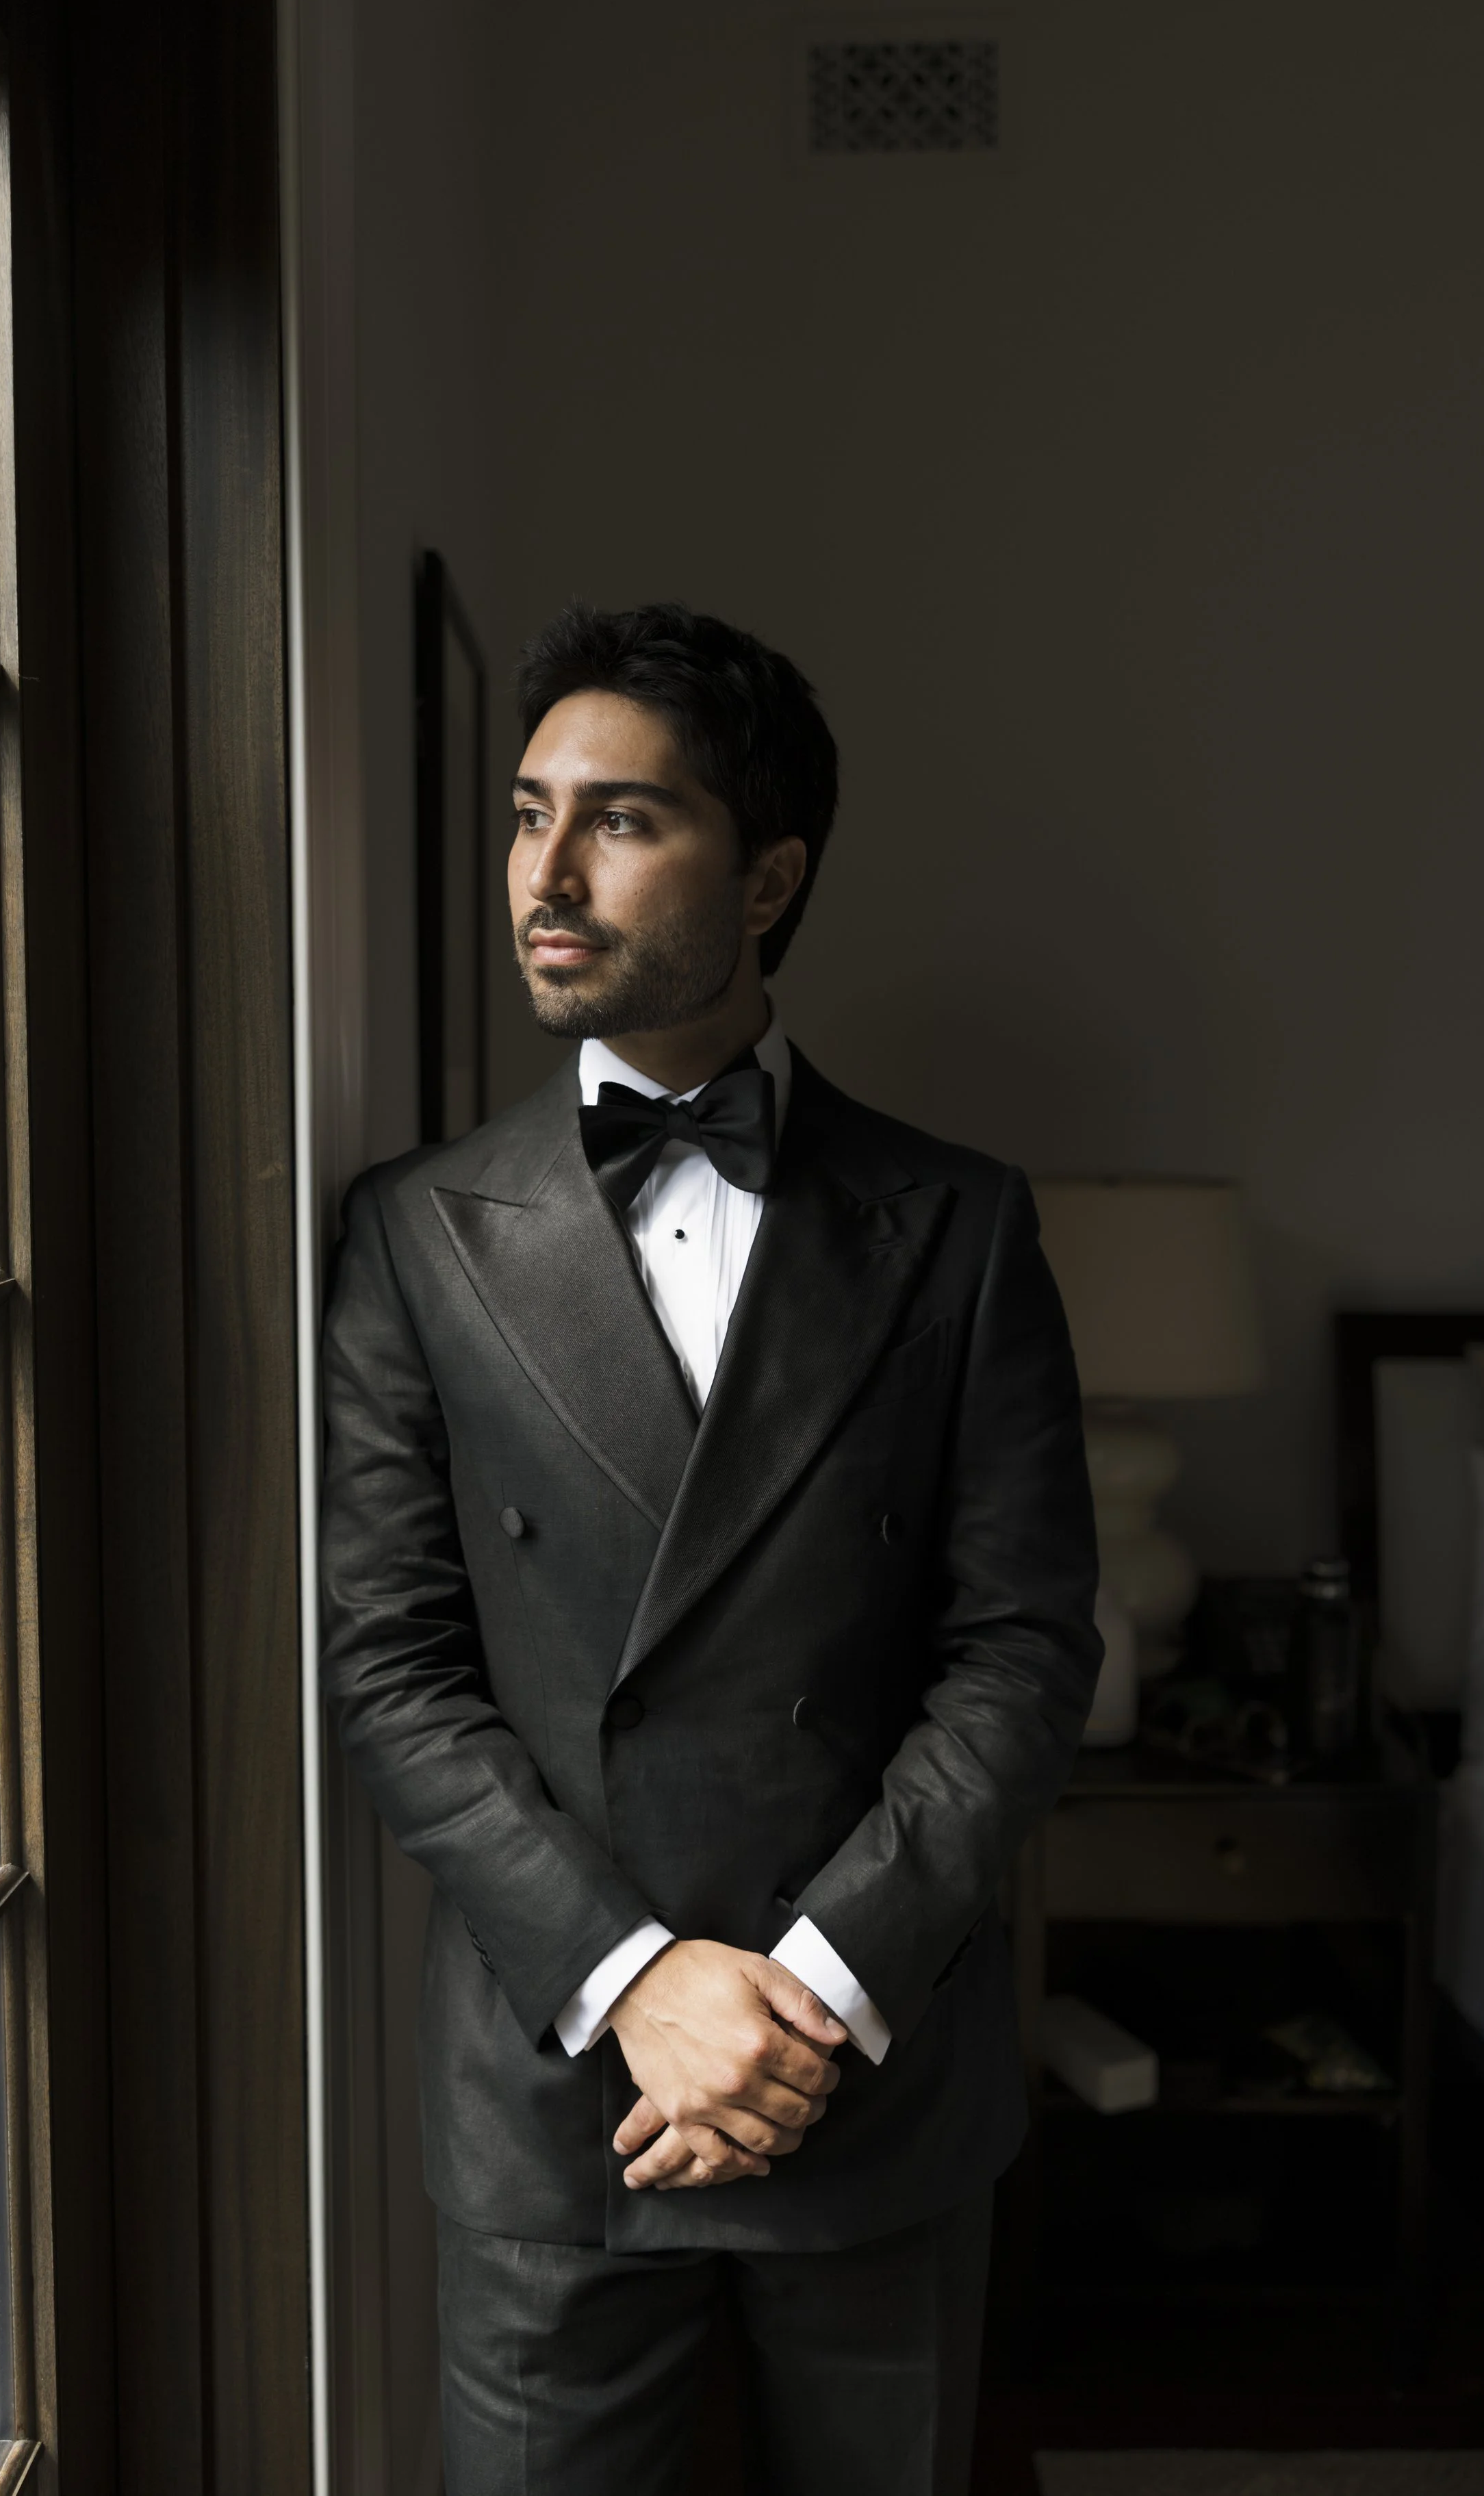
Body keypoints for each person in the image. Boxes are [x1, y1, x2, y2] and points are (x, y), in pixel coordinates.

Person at [320, 600, 1100, 2495]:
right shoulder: (416, 1227)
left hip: (870, 2062)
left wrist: (816, 1987)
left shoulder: (957, 1221)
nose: (545, 873)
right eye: (524, 815)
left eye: (622, 818)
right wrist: (636, 1979)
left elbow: (1022, 1644)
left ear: (767, 877)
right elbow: (387, 1663)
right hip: (555, 2082)